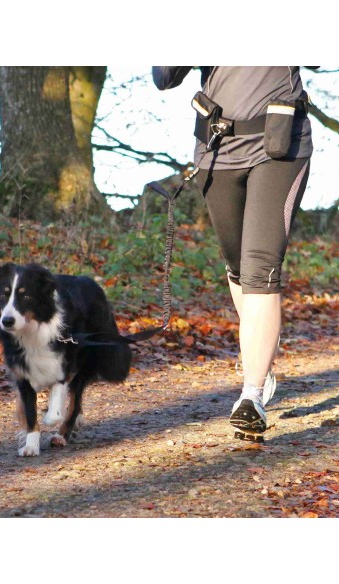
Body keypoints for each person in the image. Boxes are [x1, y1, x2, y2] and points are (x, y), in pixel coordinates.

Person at [152, 66, 314, 440]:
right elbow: (164, 77)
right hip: (218, 148)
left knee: (261, 267)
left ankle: (251, 395)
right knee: (238, 265)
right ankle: (260, 357)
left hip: (280, 144)